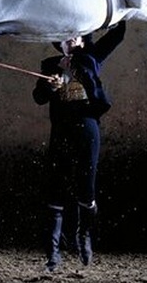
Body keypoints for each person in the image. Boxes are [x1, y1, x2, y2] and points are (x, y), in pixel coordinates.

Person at [31, 21, 126, 270]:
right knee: (56, 186)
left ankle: (84, 234)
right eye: (65, 37)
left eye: (76, 35)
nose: (71, 39)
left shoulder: (92, 58)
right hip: (61, 128)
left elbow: (118, 34)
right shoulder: (50, 64)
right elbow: (38, 97)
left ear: (83, 40)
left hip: (87, 126)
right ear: (59, 42)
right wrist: (50, 86)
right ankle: (53, 254)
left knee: (86, 188)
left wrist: (117, 14)